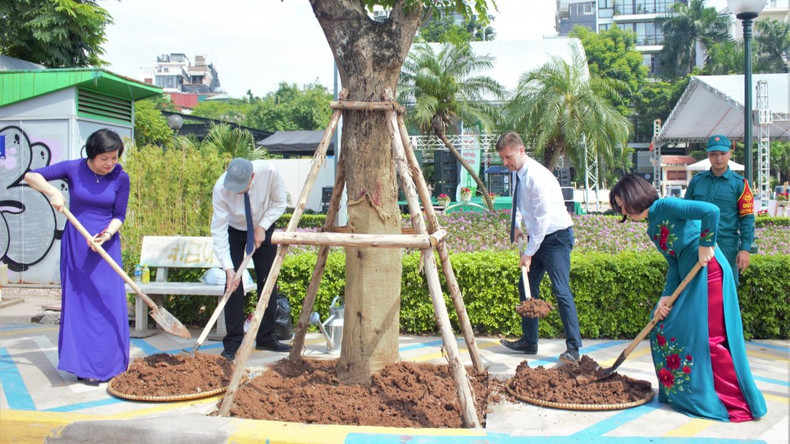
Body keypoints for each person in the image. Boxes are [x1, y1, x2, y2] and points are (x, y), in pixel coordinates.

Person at [610, 174, 766, 422]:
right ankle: (686, 393)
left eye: (622, 203)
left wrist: (706, 244)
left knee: (708, 338)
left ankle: (733, 403)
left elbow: (711, 211)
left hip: (709, 272)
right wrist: (665, 297)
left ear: (634, 196)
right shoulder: (652, 227)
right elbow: (673, 264)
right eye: (618, 207)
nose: (623, 211)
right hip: (690, 277)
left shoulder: (666, 206)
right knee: (662, 325)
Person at [23, 129, 130, 385]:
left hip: (106, 245)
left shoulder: (120, 177)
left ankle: (112, 364)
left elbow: (120, 215)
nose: (110, 164)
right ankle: (85, 366)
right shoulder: (73, 168)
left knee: (109, 301)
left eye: (114, 158)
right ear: (91, 154)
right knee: (82, 303)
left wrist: (106, 234)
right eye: (105, 158)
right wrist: (53, 192)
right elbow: (30, 176)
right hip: (78, 244)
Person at [495, 132, 583, 365]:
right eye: (503, 158)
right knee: (526, 287)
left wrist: (528, 253)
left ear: (521, 151)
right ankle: (529, 341)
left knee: (561, 291)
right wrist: (516, 225)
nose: (506, 163)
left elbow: (543, 219)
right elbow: (521, 204)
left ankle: (574, 348)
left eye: (508, 157)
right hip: (538, 237)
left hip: (556, 238)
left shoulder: (537, 177)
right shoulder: (518, 172)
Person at [211, 157, 289, 361]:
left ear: (252, 177)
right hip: (234, 231)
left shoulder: (270, 172)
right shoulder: (220, 188)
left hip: (263, 226)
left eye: (241, 187)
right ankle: (233, 342)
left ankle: (267, 337)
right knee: (233, 286)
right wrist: (228, 269)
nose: (236, 191)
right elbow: (218, 230)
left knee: (267, 282)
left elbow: (280, 202)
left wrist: (262, 226)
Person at [685, 135, 755, 285]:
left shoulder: (740, 184)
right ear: (708, 155)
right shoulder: (697, 181)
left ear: (729, 154)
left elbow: (747, 218)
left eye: (723, 154)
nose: (718, 158)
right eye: (714, 154)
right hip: (697, 244)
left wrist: (745, 249)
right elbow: (686, 214)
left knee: (726, 289)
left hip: (726, 246)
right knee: (697, 289)